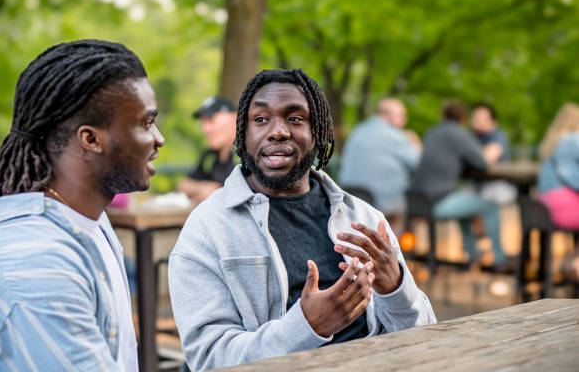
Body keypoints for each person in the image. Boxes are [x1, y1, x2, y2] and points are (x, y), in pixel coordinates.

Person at [168, 69, 435, 371]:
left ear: (317, 132)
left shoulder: (364, 218)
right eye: (261, 119)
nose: (277, 132)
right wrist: (306, 327)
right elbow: (209, 360)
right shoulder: (207, 229)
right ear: (242, 133)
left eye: (295, 118)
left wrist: (396, 289)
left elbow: (424, 340)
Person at [0, 40, 165, 370]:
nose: (159, 138)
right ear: (91, 139)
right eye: (146, 123)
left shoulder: (87, 221)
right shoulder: (36, 265)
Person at [411, 101, 509, 267]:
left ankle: (471, 256)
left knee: (466, 207)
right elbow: (482, 163)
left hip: (417, 200)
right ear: (463, 120)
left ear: (443, 116)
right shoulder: (459, 134)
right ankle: (499, 259)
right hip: (437, 203)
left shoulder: (431, 133)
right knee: (490, 207)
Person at [339, 98, 421, 234]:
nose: (404, 121)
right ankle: (393, 246)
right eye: (401, 116)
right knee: (404, 208)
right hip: (379, 201)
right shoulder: (395, 135)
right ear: (387, 115)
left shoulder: (358, 131)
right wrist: (415, 144)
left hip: (350, 197)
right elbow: (418, 164)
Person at [177, 95, 238, 203]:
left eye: (211, 120)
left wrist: (218, 192)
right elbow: (183, 184)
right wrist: (202, 188)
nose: (205, 129)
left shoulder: (249, 155)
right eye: (203, 122)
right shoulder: (210, 156)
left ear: (234, 118)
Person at [469, 103, 517, 205]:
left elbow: (487, 158)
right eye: (474, 116)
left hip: (498, 185)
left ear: (493, 122)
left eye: (480, 117)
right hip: (476, 185)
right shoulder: (471, 137)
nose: (475, 120)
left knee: (484, 200)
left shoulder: (497, 136)